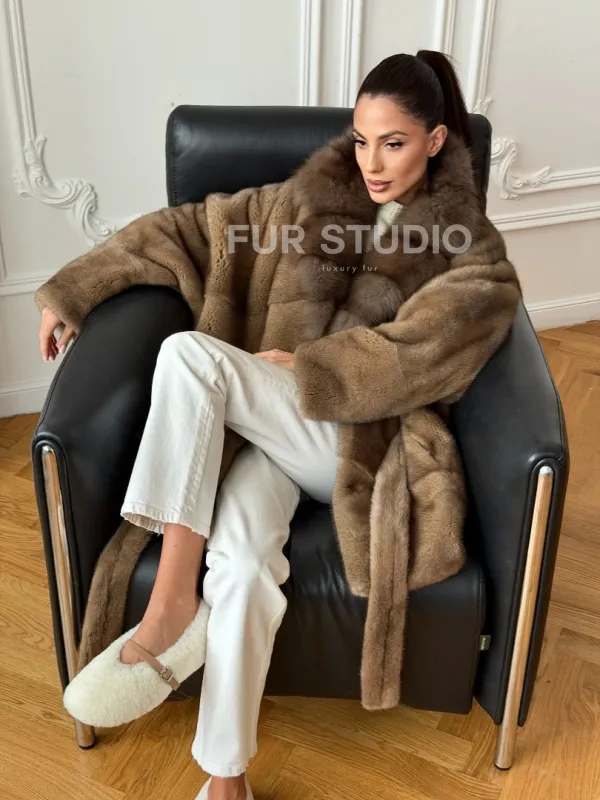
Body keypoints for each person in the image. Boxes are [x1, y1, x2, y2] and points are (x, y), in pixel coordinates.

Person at [36, 51, 520, 800]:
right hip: (273, 436)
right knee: (240, 562)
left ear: (434, 141)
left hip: (366, 445)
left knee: (192, 359)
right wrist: (73, 289)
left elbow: (427, 355)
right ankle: (226, 776)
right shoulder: (307, 204)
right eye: (362, 140)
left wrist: (309, 366)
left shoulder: (470, 248)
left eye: (393, 143)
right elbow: (189, 228)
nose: (372, 162)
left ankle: (169, 608)